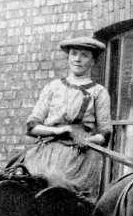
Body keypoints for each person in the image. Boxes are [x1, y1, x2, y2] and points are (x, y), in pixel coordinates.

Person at [20, 36, 112, 201]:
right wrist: (59, 130)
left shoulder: (99, 92)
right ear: (68, 57)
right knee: (24, 185)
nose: (77, 59)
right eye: (74, 54)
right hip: (46, 153)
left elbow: (105, 134)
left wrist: (88, 140)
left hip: (79, 158)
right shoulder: (53, 87)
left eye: (84, 55)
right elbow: (32, 126)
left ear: (93, 61)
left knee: (60, 190)